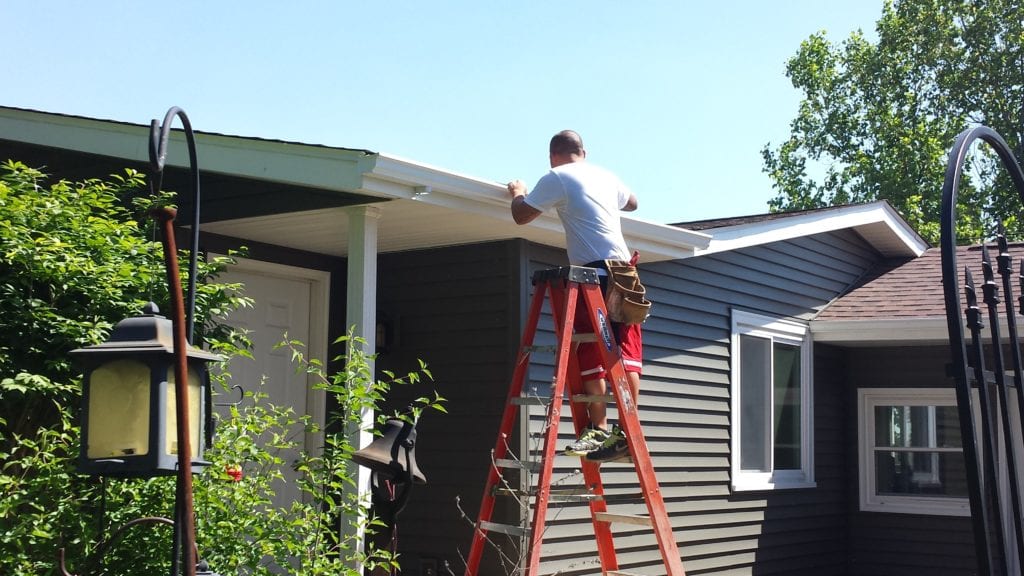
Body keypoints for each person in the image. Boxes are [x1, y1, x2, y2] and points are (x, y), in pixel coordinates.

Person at [506, 129, 642, 463]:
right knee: (625, 353)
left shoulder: (558, 176)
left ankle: (599, 427)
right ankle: (628, 433)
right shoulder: (606, 176)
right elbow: (634, 203)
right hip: (625, 272)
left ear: (553, 155)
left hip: (594, 275)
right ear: (584, 151)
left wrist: (518, 192)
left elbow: (521, 216)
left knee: (591, 352)